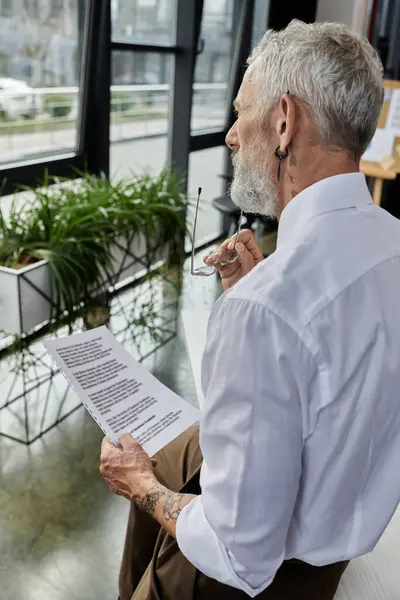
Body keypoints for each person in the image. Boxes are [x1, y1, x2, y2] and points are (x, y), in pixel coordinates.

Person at [100, 19, 400, 600]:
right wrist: (258, 288)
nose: (233, 135)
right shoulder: (391, 240)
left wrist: (140, 487)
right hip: (341, 525)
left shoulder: (267, 310)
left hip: (259, 577)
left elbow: (241, 557)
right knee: (167, 448)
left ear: (284, 122)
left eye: (242, 111)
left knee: (141, 469)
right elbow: (333, 352)